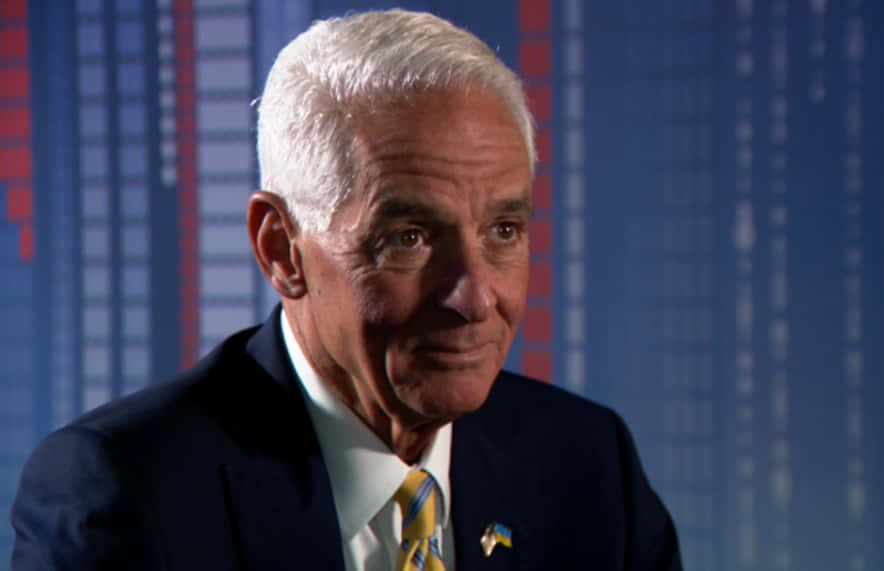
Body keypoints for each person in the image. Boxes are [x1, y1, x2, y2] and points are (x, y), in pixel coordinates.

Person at [11, 9, 682, 571]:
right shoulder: (125, 492)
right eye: (409, 238)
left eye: (503, 229)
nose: (475, 297)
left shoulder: (587, 466)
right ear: (281, 249)